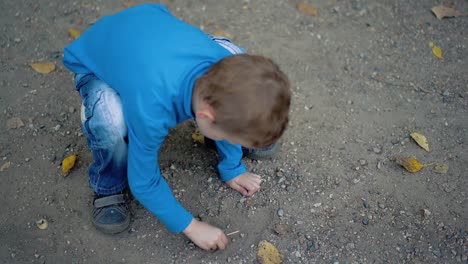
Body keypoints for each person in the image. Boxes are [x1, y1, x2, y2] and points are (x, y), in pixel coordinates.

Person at [63, 3, 291, 251]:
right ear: (205, 117)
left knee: (233, 52)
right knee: (110, 120)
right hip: (96, 56)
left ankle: (236, 128)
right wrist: (191, 226)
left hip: (147, 29)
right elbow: (144, 181)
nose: (237, 143)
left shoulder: (224, 64)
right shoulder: (152, 109)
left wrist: (232, 166)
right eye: (234, 138)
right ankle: (109, 185)